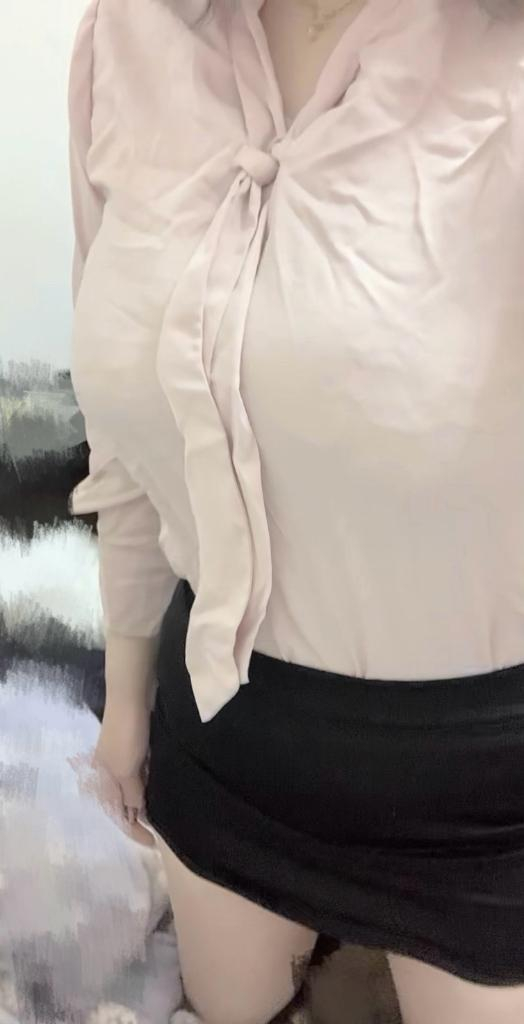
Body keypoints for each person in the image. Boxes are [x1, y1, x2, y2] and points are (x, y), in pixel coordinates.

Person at [67, 0, 524, 1021]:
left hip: (483, 802)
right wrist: (127, 704)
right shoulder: (126, 38)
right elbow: (126, 442)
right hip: (222, 743)